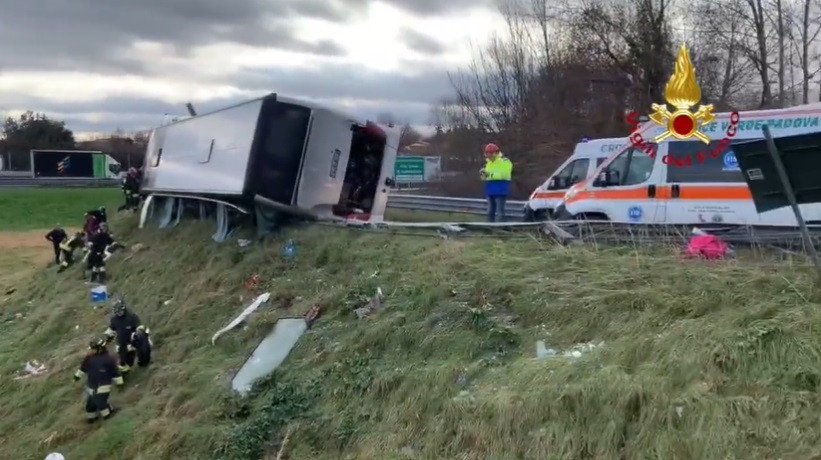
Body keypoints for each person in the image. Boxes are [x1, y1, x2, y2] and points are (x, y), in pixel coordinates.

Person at [73, 337, 123, 423]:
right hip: (92, 385)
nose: (92, 351)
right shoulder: (89, 358)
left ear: (100, 348)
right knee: (90, 406)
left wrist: (120, 383)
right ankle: (92, 419)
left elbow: (115, 372)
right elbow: (82, 368)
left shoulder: (109, 358)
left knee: (100, 402)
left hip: (104, 384)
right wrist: (77, 376)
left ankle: (108, 418)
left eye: (93, 349)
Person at [104, 298, 151, 374]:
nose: (119, 313)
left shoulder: (132, 316)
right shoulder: (114, 320)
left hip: (134, 341)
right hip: (123, 344)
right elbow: (111, 330)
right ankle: (123, 372)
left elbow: (140, 327)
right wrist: (106, 336)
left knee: (143, 345)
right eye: (117, 311)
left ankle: (143, 361)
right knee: (124, 366)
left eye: (120, 310)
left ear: (124, 308)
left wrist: (137, 333)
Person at [480, 143, 513, 223]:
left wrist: (489, 175)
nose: (489, 156)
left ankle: (500, 229)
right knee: (490, 211)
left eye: (491, 153)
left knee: (500, 211)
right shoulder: (488, 163)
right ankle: (489, 228)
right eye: (487, 153)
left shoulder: (505, 161)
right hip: (490, 189)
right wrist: (483, 174)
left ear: (496, 153)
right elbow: (485, 178)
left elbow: (504, 174)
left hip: (500, 189)